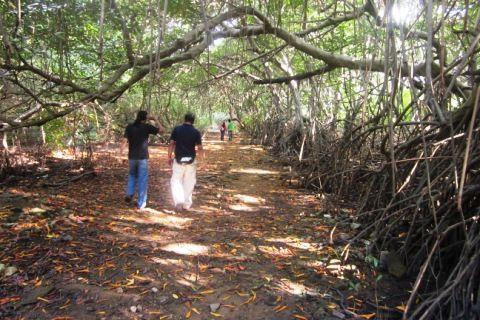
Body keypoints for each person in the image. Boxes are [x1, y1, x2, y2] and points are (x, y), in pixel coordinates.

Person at [124, 110, 163, 210]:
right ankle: (141, 203)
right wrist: (155, 119)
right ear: (145, 118)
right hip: (142, 158)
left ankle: (129, 193)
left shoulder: (129, 127)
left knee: (132, 175)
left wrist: (121, 153)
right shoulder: (147, 127)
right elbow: (162, 130)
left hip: (132, 157)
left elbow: (124, 141)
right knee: (142, 179)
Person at [168, 113, 204, 211]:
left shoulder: (177, 129)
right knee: (189, 182)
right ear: (193, 120)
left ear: (185, 119)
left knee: (175, 180)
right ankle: (186, 204)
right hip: (191, 161)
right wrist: (202, 160)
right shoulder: (196, 132)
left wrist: (169, 156)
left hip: (178, 159)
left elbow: (171, 144)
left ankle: (179, 199)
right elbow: (200, 148)